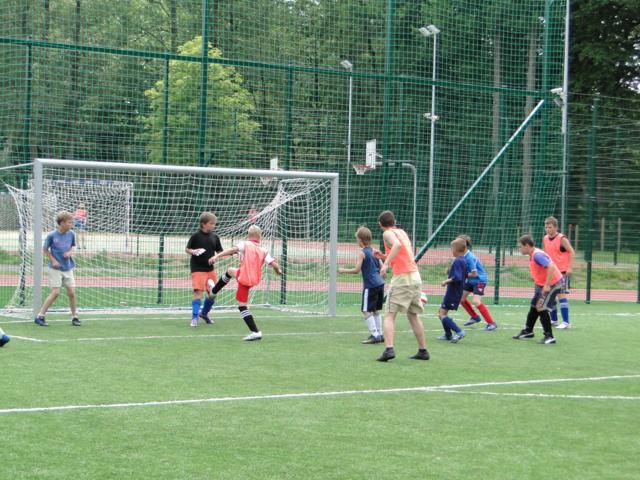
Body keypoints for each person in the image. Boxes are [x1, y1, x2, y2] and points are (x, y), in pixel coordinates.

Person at [206, 225, 281, 341]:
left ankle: (255, 332)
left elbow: (232, 250)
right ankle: (214, 291)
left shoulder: (245, 244)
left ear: (248, 235)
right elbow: (274, 264)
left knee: (242, 306)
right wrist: (278, 271)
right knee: (230, 271)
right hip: (252, 278)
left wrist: (217, 256)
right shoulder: (263, 250)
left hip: (244, 278)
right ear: (260, 237)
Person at [374, 210, 429, 362]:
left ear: (380, 224)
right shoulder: (402, 232)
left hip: (402, 279)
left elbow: (397, 246)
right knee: (413, 315)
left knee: (389, 315)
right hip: (415, 277)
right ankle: (423, 350)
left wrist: (385, 264)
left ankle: (389, 349)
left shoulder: (387, 233)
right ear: (394, 221)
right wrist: (384, 256)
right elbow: (400, 253)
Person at [513, 235, 563, 345]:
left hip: (553, 283)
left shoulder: (537, 255)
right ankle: (528, 331)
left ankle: (549, 337)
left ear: (527, 246)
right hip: (542, 284)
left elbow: (551, 266)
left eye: (520, 246)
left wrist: (547, 285)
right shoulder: (533, 254)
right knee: (534, 305)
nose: (519, 249)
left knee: (540, 307)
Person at [338, 226, 385, 344]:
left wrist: (343, 270)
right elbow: (382, 267)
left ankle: (375, 335)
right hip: (380, 284)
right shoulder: (375, 251)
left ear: (360, 240)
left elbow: (357, 270)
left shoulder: (362, 253)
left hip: (370, 285)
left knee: (366, 310)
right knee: (375, 310)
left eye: (357, 239)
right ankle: (380, 334)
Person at [35, 210, 81, 327]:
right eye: (69, 222)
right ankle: (40, 316)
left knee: (71, 293)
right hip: (55, 269)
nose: (71, 224)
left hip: (68, 267)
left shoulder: (71, 234)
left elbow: (73, 247)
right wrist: (53, 260)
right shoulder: (52, 235)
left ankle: (74, 317)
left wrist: (70, 253)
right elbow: (45, 250)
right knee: (55, 292)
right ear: (62, 223)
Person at [185, 212, 224, 327]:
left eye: (214, 224)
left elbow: (220, 252)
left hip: (210, 270)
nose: (213, 226)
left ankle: (204, 314)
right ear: (203, 224)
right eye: (211, 223)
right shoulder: (195, 236)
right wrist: (193, 251)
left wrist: (231, 253)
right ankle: (194, 318)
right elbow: (187, 249)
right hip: (197, 269)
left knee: (213, 294)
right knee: (198, 293)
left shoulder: (215, 237)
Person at [457, 235, 497, 331]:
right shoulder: (462, 256)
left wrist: (461, 275)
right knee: (461, 299)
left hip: (479, 280)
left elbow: (474, 274)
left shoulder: (469, 257)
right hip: (471, 280)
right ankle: (474, 317)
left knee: (476, 301)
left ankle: (491, 323)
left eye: (457, 244)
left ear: (464, 246)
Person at [543, 216, 575, 329]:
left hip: (561, 272)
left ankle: (566, 322)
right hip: (551, 272)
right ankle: (554, 320)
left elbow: (572, 252)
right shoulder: (545, 238)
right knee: (550, 296)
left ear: (556, 227)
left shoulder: (562, 239)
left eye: (550, 227)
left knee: (561, 295)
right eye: (546, 227)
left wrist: (570, 267)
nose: (548, 229)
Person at [437, 238, 468, 343]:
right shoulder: (463, 260)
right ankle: (448, 335)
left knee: (441, 314)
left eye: (451, 249)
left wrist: (446, 281)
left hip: (453, 292)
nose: (451, 251)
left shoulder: (458, 261)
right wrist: (450, 271)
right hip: (456, 291)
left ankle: (459, 331)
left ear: (455, 249)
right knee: (442, 312)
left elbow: (457, 277)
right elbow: (462, 274)